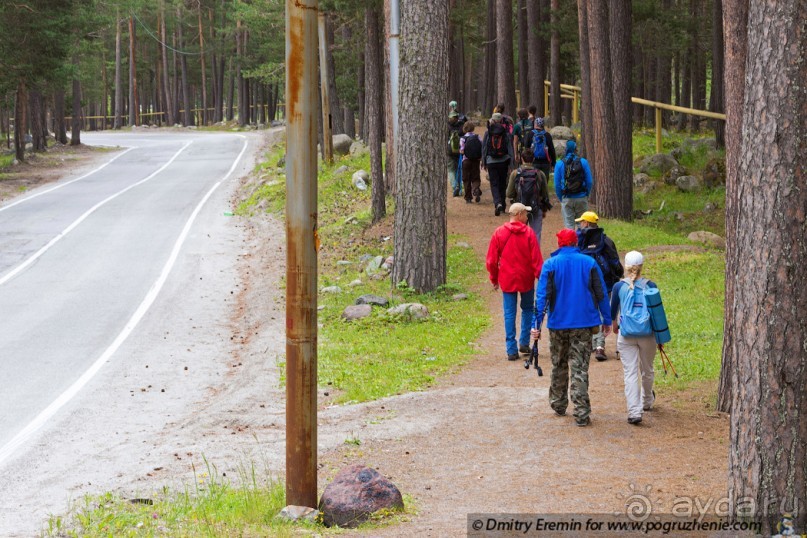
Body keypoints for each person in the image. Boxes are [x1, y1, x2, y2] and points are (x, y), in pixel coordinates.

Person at [532, 228, 612, 427]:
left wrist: (537, 326)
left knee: (558, 363)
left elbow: (542, 297)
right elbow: (601, 293)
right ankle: (581, 412)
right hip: (584, 324)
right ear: (576, 242)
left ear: (559, 243)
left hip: (558, 323)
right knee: (579, 367)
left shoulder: (550, 265)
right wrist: (607, 320)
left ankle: (558, 403)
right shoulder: (589, 263)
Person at [486, 203, 543, 361]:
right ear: (518, 215)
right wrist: (542, 279)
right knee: (528, 309)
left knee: (509, 313)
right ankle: (524, 342)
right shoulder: (529, 234)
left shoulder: (499, 233)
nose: (527, 217)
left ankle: (511, 349)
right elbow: (536, 260)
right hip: (526, 278)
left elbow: (491, 260)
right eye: (525, 214)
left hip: (507, 278)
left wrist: (494, 278)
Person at [610, 251, 658, 425]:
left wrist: (615, 326)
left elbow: (612, 312)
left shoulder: (618, 287)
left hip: (627, 334)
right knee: (647, 369)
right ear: (642, 267)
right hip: (648, 334)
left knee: (630, 373)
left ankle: (634, 411)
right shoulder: (651, 285)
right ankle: (647, 401)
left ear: (626, 266)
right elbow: (657, 313)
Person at [576, 211, 624, 361]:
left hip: (586, 283)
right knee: (604, 313)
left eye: (581, 222)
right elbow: (615, 262)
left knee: (590, 311)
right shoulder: (606, 240)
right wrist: (618, 275)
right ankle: (600, 347)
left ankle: (592, 342)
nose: (579, 224)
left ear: (587, 223)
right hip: (606, 282)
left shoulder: (580, 239)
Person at [506, 149, 551, 244]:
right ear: (533, 159)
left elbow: (509, 194)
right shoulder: (540, 174)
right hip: (536, 207)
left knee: (518, 234)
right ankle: (534, 257)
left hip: (519, 209)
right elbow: (545, 194)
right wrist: (544, 208)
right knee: (536, 234)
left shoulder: (515, 173)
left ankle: (520, 256)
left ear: (522, 159)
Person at [554, 140, 593, 229]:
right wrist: (586, 194)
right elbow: (589, 181)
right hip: (581, 197)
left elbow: (557, 185)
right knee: (583, 226)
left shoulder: (559, 164)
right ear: (576, 149)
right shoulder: (584, 162)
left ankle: (570, 242)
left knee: (569, 226)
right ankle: (582, 242)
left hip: (567, 198)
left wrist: (562, 197)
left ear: (566, 150)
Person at [481, 113, 514, 216]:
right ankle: (503, 206)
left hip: (491, 161)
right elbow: (510, 149)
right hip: (503, 162)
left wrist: (484, 161)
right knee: (502, 183)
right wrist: (511, 164)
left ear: (493, 120)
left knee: (494, 184)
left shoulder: (488, 132)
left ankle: (497, 203)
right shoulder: (506, 133)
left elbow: (485, 148)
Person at [527, 117, 556, 182]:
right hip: (545, 162)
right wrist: (553, 163)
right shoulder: (547, 135)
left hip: (533, 162)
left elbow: (527, 148)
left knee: (534, 181)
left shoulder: (530, 134)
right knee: (544, 182)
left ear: (535, 124)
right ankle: (543, 192)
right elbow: (552, 150)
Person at [460, 120, 483, 203]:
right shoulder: (478, 137)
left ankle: (468, 198)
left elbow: (462, 151)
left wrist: (461, 151)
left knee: (466, 179)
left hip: (466, 161)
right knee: (476, 177)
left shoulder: (463, 138)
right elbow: (481, 146)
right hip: (476, 160)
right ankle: (476, 189)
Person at [448, 111, 464, 197]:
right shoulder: (461, 125)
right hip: (459, 150)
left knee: (451, 170)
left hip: (450, 150)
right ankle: (460, 187)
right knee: (459, 169)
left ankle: (455, 187)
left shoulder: (447, 126)